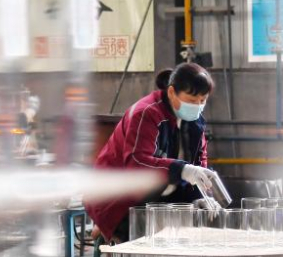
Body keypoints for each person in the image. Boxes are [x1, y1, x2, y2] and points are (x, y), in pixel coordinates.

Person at [87, 62, 216, 243]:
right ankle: (108, 231)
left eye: (202, 101)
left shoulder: (195, 122)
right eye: (192, 100)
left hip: (160, 198)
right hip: (119, 198)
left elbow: (198, 163)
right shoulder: (146, 113)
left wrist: (199, 195)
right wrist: (181, 170)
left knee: (188, 238)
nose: (197, 106)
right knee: (138, 254)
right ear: (171, 92)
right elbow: (137, 163)